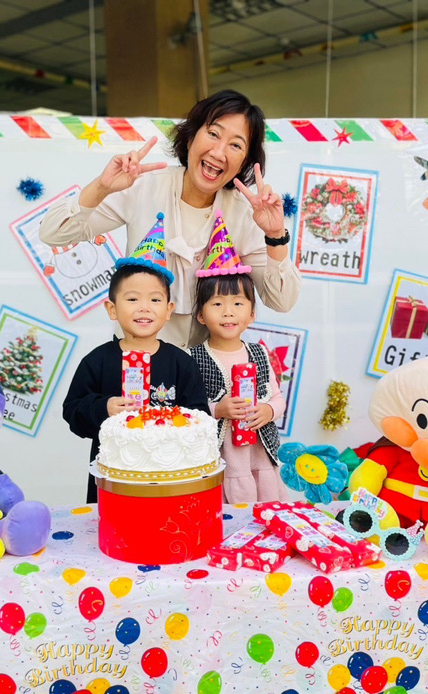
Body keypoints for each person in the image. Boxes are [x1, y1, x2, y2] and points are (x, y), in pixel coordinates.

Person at [39, 89, 301, 348]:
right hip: (136, 360)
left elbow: (282, 301)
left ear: (244, 162)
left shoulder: (245, 214)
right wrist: (101, 187)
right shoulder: (144, 187)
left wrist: (275, 235)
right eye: (213, 134)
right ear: (190, 138)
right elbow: (51, 233)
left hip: (203, 367)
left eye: (236, 145)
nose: (219, 152)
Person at [62, 217, 209, 502]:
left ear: (168, 310)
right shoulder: (97, 361)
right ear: (112, 309)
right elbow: (73, 412)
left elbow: (200, 415)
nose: (144, 307)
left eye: (155, 300)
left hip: (170, 479)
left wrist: (171, 422)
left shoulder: (181, 363)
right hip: (114, 481)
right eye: (132, 299)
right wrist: (104, 407)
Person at [188, 213, 286, 504]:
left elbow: (277, 397)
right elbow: (188, 409)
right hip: (221, 457)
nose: (228, 312)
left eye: (238, 304)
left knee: (264, 509)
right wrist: (217, 409)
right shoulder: (193, 357)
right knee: (227, 514)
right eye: (217, 304)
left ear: (252, 314)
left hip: (259, 454)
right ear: (201, 315)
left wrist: (268, 411)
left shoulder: (259, 353)